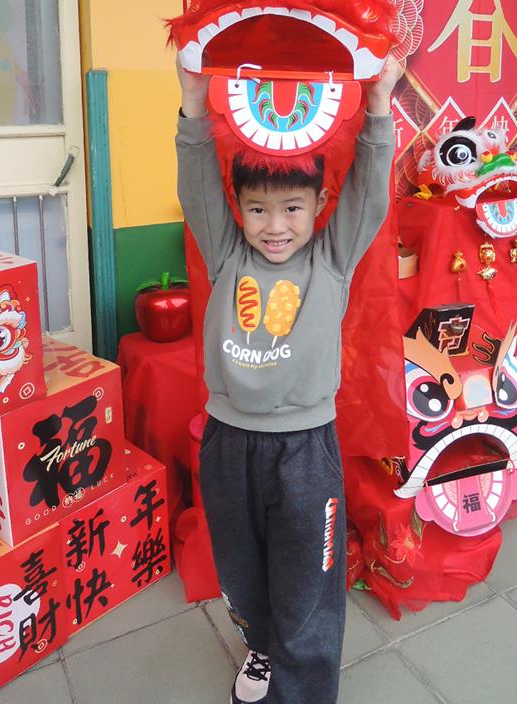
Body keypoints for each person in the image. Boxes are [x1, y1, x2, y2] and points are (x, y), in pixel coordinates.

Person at [176, 56, 402, 704]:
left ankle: (303, 691)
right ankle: (261, 648)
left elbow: (370, 190)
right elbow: (197, 187)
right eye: (258, 209)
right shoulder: (226, 253)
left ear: (320, 205)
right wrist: (193, 103)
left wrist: (378, 104)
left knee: (308, 582)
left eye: (292, 208)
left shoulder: (332, 260)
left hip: (305, 450)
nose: (274, 226)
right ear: (239, 209)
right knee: (242, 569)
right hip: (229, 442)